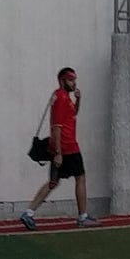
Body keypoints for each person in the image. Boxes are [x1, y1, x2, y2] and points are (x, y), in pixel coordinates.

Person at [21, 66, 96, 229]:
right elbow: (56, 127)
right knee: (80, 177)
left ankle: (29, 213)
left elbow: (72, 114)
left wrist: (79, 100)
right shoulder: (61, 98)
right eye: (71, 79)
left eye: (74, 79)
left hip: (62, 146)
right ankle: (82, 216)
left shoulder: (63, 97)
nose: (74, 82)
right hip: (67, 147)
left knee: (53, 182)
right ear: (62, 81)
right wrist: (58, 153)